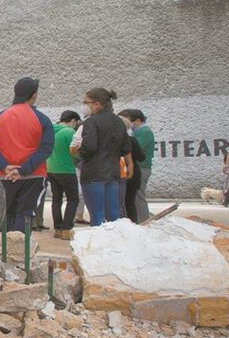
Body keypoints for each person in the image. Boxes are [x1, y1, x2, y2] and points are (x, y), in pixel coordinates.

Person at [0, 77, 54, 232]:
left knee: (4, 215)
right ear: (34, 95)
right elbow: (45, 149)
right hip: (33, 176)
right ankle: (21, 252)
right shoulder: (42, 119)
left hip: (4, 176)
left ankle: (2, 252)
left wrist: (5, 166)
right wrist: (22, 170)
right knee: (25, 215)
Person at [76, 88, 131, 226]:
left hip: (93, 173)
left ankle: (99, 245)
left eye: (86, 102)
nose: (85, 106)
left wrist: (79, 153)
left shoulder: (91, 122)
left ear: (97, 104)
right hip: (113, 172)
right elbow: (125, 148)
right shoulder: (119, 121)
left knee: (97, 215)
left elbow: (89, 147)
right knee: (113, 213)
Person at [47, 111, 81, 240]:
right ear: (73, 120)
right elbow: (74, 152)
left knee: (57, 199)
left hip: (50, 168)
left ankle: (58, 227)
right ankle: (67, 228)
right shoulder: (69, 132)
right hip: (66, 169)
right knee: (73, 199)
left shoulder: (51, 131)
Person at [118, 109, 154, 222]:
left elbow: (135, 149)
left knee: (138, 198)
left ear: (137, 120)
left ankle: (143, 221)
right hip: (137, 167)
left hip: (142, 168)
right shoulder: (137, 133)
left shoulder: (144, 132)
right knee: (132, 199)